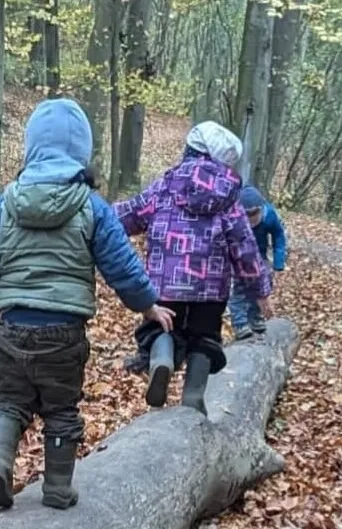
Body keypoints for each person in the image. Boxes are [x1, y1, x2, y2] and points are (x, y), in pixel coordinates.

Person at [0, 97, 174, 511]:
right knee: (61, 408)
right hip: (64, 331)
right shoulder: (90, 206)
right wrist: (148, 305)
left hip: (14, 328)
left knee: (10, 401)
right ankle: (58, 488)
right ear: (81, 150)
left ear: (31, 148)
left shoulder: (5, 204)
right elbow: (120, 263)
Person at [115, 121, 272, 416]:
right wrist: (260, 290)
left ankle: (162, 358)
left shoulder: (165, 186)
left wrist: (97, 219)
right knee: (205, 338)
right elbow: (245, 247)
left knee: (160, 327)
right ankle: (193, 394)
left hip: (165, 282)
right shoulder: (228, 200)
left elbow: (131, 214)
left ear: (190, 151)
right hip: (210, 289)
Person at [231, 184, 287, 339]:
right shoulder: (234, 219)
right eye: (246, 214)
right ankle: (240, 323)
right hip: (239, 258)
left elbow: (279, 237)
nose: (251, 218)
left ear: (261, 208)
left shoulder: (270, 216)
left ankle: (255, 317)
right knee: (239, 289)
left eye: (254, 213)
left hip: (260, 256)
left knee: (263, 286)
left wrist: (278, 262)